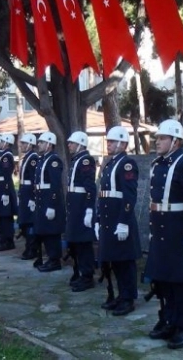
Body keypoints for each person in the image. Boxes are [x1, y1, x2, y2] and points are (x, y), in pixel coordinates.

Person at [144, 119, 183, 350]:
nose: (157, 141)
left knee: (179, 282)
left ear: (175, 141)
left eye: (162, 138)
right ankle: (167, 319)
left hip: (178, 230)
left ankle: (182, 326)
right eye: (157, 138)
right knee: (162, 280)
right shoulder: (158, 164)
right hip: (161, 229)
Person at [96, 126, 141, 315]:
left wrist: (123, 221)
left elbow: (129, 196)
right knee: (115, 260)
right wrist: (98, 218)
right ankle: (121, 295)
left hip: (120, 219)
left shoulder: (126, 164)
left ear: (123, 143)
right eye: (108, 141)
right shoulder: (110, 163)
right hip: (109, 219)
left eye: (112, 141)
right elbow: (103, 194)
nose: (109, 144)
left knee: (125, 261)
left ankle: (128, 298)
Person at [64, 131, 97, 292]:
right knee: (76, 242)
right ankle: (79, 272)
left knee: (84, 244)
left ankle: (87, 275)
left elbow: (90, 187)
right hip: (74, 207)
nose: (69, 145)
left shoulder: (85, 160)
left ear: (80, 144)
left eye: (72, 143)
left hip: (81, 207)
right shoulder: (77, 159)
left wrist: (89, 209)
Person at [33, 131, 65, 272]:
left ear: (49, 144)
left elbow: (55, 185)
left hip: (49, 201)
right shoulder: (43, 159)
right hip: (42, 199)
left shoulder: (53, 160)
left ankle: (55, 260)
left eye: (41, 142)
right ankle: (50, 259)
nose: (38, 144)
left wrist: (52, 205)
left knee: (52, 232)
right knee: (45, 231)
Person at [0, 133, 18, 252]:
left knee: (5, 217)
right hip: (1, 187)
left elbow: (6, 175)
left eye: (2, 141)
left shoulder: (7, 156)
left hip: (4, 188)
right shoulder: (4, 155)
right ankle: (3, 239)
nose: (0, 143)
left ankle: (7, 241)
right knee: (1, 216)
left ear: (7, 143)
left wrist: (6, 193)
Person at [17, 133, 39, 260]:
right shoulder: (28, 157)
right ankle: (29, 247)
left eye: (24, 143)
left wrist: (32, 198)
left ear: (31, 144)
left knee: (29, 222)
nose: (22, 146)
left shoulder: (33, 158)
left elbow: (33, 180)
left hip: (29, 193)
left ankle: (32, 249)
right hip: (24, 192)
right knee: (24, 222)